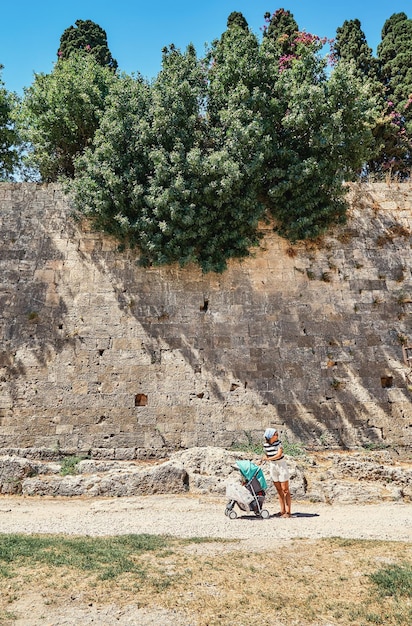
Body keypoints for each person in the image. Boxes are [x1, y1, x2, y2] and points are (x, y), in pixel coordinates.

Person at [262, 427, 291, 518]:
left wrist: (268, 459)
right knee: (279, 490)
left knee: (285, 489)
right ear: (270, 436)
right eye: (275, 434)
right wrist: (263, 459)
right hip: (273, 466)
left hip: (281, 465)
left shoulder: (279, 443)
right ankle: (282, 510)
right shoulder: (265, 445)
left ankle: (288, 511)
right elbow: (266, 454)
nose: (277, 435)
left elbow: (279, 454)